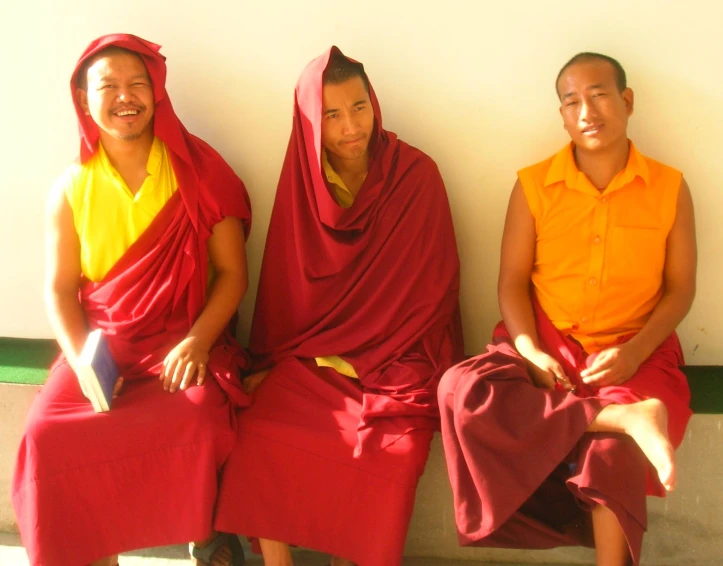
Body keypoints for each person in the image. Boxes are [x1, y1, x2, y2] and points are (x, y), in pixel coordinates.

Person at [438, 52, 696, 566]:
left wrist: (635, 351)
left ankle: (624, 429)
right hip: (547, 340)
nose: (587, 111)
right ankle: (621, 417)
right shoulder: (534, 185)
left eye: (599, 95)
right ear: (560, 115)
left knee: (611, 456)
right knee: (461, 390)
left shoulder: (668, 187)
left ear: (626, 100)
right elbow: (510, 283)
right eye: (571, 101)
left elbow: (681, 290)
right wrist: (530, 350)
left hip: (635, 351)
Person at [213, 47, 464, 566]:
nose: (351, 126)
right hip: (312, 360)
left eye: (359, 107)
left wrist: (360, 356)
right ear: (309, 124)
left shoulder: (416, 176)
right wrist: (283, 363)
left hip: (396, 359)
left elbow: (432, 294)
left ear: (375, 105)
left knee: (390, 455)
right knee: (260, 432)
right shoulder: (304, 185)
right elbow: (290, 296)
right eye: (331, 115)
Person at [11, 34, 252, 566]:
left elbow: (233, 275)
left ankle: (203, 533)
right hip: (105, 348)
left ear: (157, 92)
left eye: (137, 83)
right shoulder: (71, 187)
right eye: (109, 86)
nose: (126, 97)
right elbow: (59, 288)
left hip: (180, 342)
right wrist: (81, 362)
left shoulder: (199, 170)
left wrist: (197, 342)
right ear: (82, 98)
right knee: (48, 435)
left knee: (196, 420)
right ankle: (89, 551)